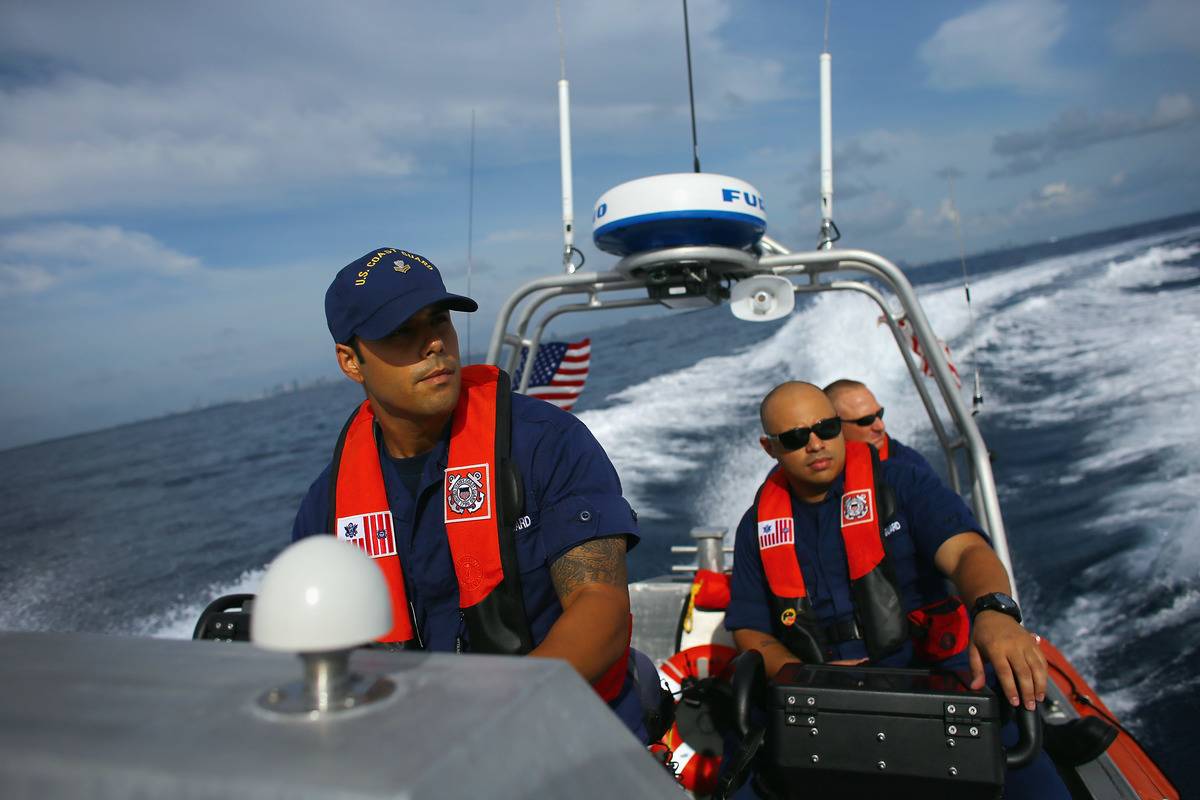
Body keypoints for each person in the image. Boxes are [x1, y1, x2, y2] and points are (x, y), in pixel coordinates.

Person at [291, 246, 645, 738]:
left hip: (570, 732)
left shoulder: (546, 443)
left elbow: (599, 605)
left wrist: (497, 721)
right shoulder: (325, 509)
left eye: (439, 322)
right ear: (351, 362)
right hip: (414, 747)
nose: (433, 344)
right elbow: (321, 655)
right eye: (401, 333)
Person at [723, 381, 1067, 798]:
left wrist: (994, 611)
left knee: (1037, 785)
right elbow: (752, 632)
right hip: (821, 700)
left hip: (932, 681)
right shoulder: (756, 527)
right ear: (769, 448)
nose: (815, 445)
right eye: (796, 438)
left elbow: (966, 554)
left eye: (826, 428)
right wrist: (807, 678)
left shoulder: (905, 485)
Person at [823, 378, 935, 473]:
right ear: (834, 427)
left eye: (879, 414)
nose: (880, 426)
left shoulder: (911, 469)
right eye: (866, 420)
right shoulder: (812, 470)